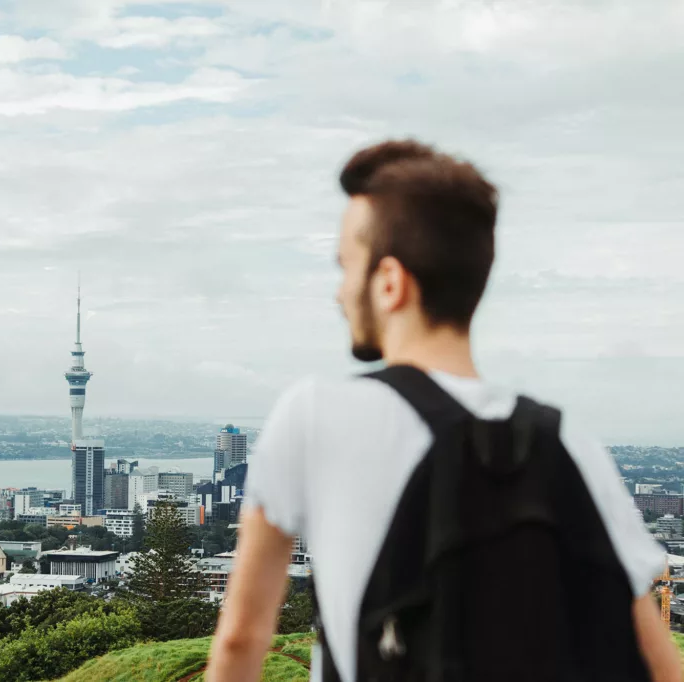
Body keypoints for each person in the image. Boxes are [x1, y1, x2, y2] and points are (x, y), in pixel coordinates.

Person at [207, 140, 680, 682]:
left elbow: (243, 636)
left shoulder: (314, 414)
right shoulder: (566, 439)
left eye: (346, 268)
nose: (339, 294)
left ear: (389, 283)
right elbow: (654, 658)